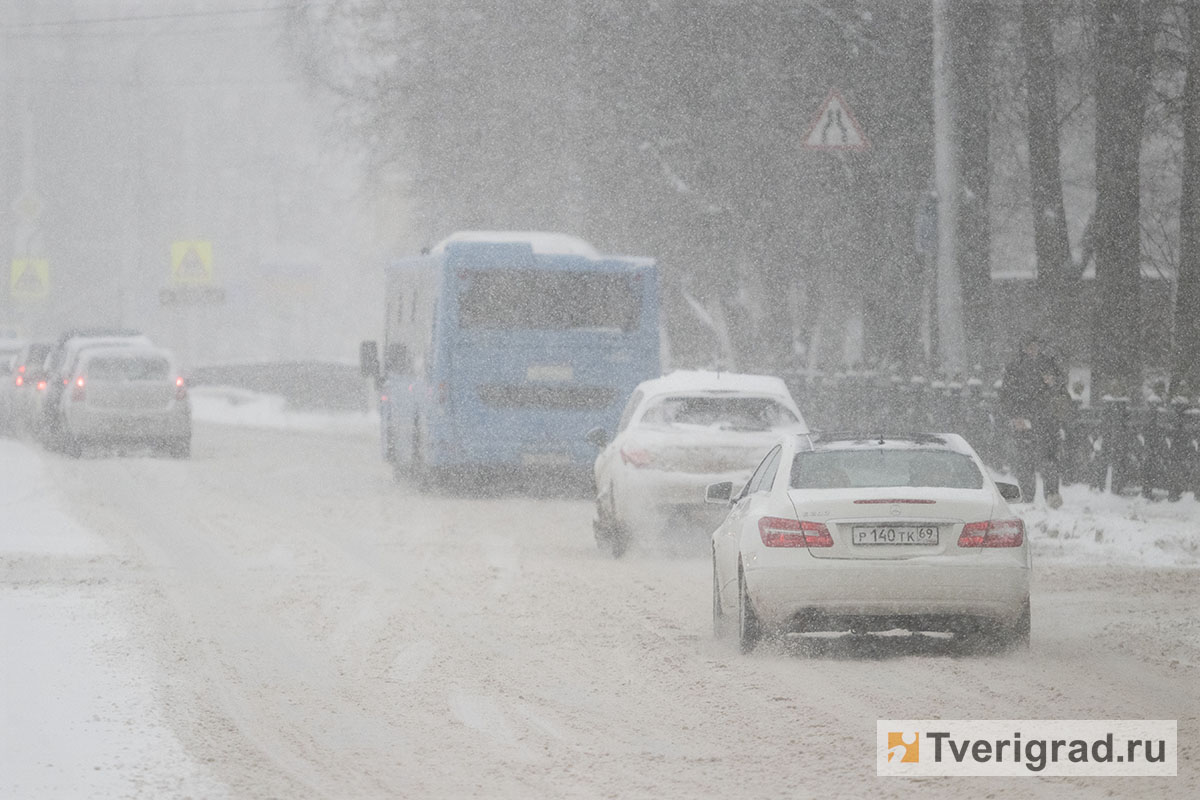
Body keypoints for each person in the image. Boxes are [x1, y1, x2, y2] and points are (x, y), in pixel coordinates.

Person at [999, 335, 1071, 508]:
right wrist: (1015, 416)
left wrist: (1053, 382)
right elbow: (1006, 395)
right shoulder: (1015, 367)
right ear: (1023, 348)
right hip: (1024, 420)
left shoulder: (1049, 364)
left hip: (1047, 419)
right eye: (1029, 346)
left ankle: (1052, 495)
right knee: (1025, 460)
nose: (1033, 349)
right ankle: (1026, 496)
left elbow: (1061, 388)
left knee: (1050, 459)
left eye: (1035, 345)